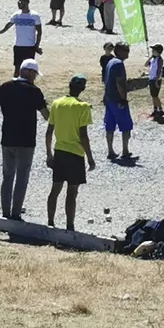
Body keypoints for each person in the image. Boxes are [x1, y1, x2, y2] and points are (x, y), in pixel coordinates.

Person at [0, 58, 48, 220]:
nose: (34, 77)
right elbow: (46, 116)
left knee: (7, 177)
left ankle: (5, 212)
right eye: (34, 74)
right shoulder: (34, 91)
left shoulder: (4, 87)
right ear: (28, 72)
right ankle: (15, 214)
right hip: (27, 141)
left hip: (7, 139)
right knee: (22, 178)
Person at [45, 74, 96, 230]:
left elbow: (48, 132)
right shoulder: (83, 107)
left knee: (55, 189)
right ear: (83, 89)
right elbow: (83, 136)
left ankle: (50, 222)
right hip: (75, 154)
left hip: (59, 151)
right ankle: (70, 225)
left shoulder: (56, 103)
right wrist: (90, 158)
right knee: (72, 192)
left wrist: (49, 154)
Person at [102, 42, 136, 163]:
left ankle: (110, 150)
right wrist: (123, 98)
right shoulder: (119, 64)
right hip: (117, 100)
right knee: (126, 125)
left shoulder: (110, 62)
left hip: (109, 98)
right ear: (121, 51)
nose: (128, 53)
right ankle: (125, 150)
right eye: (126, 51)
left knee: (109, 125)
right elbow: (120, 82)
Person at [0, 0, 43, 71]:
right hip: (18, 46)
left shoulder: (34, 16)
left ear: (27, 3)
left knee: (29, 69)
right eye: (18, 2)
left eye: (21, 2)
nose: (19, 4)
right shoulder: (16, 15)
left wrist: (36, 46)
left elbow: (39, 32)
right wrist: (0, 32)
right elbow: (8, 25)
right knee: (17, 68)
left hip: (30, 46)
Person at [144, 44, 164, 124]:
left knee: (155, 96)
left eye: (154, 50)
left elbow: (159, 70)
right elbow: (146, 64)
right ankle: (155, 109)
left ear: (158, 52)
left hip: (156, 79)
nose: (152, 51)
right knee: (153, 96)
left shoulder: (159, 60)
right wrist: (151, 57)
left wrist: (156, 80)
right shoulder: (153, 59)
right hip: (151, 79)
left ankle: (161, 110)